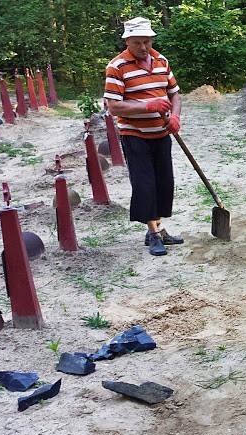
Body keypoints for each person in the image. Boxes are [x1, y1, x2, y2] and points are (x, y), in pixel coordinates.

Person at [104, 17, 183, 256]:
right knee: (144, 184)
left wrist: (175, 116)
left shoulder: (162, 61)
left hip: (161, 132)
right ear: (127, 41)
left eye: (147, 41)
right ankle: (153, 233)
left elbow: (175, 95)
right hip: (135, 135)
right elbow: (114, 106)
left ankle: (160, 228)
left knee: (164, 183)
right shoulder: (116, 67)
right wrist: (147, 106)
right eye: (137, 42)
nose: (143, 47)